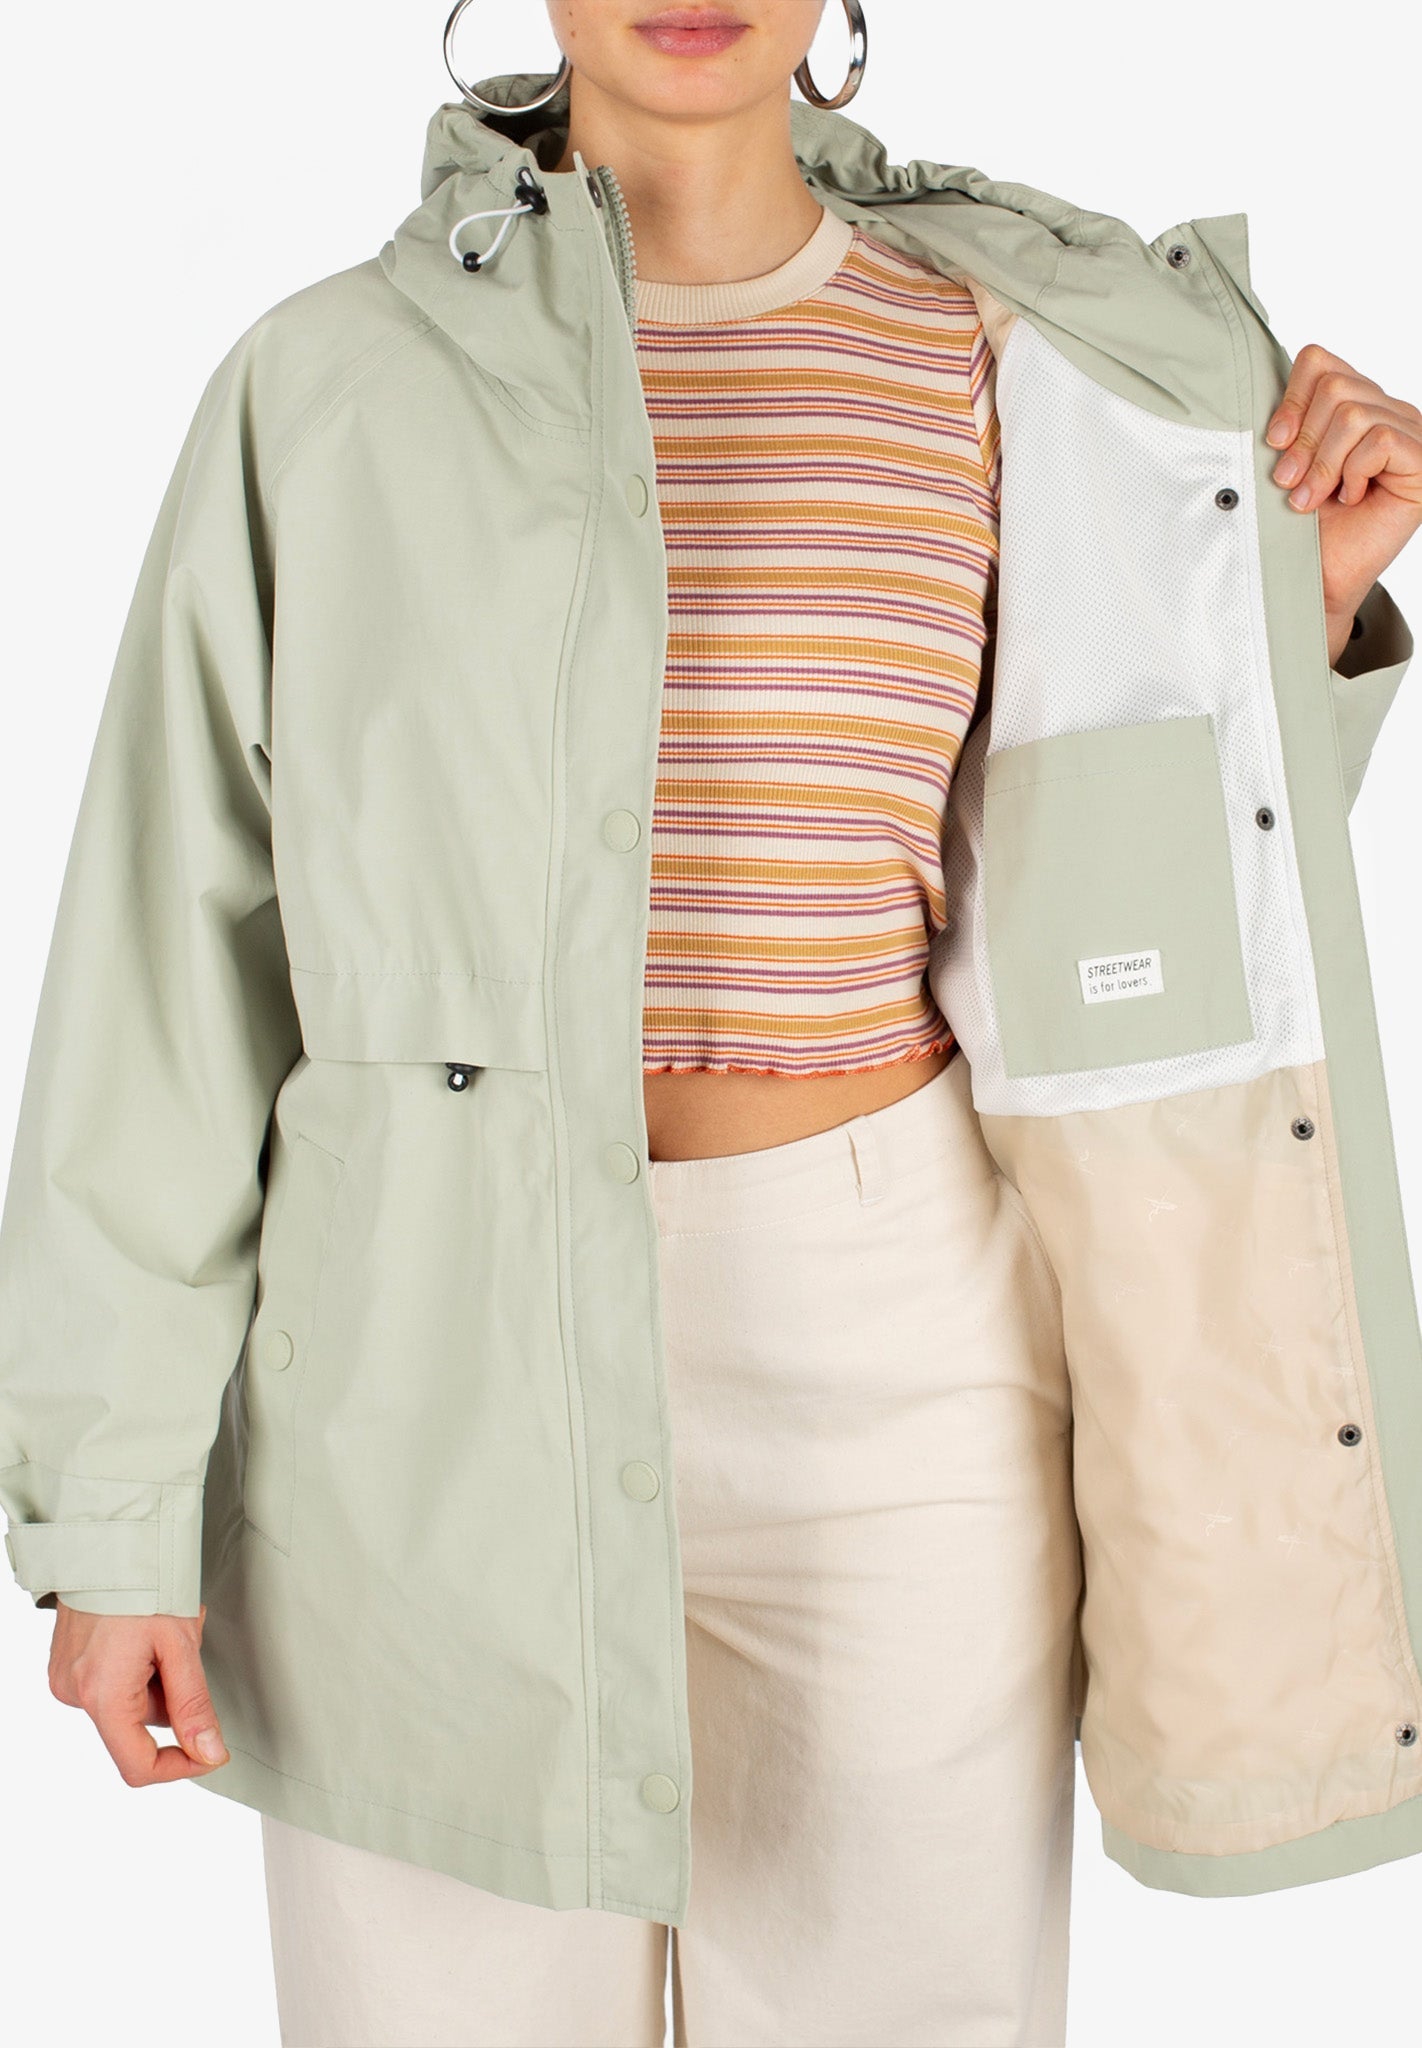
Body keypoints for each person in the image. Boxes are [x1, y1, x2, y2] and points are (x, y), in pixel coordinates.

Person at [4, 4, 1422, 2045]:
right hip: (423, 1360)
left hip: (895, 1361)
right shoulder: (326, 383)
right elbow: (171, 946)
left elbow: (1117, 909)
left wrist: (1299, 616)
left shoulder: (1007, 360)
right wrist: (113, 1509)